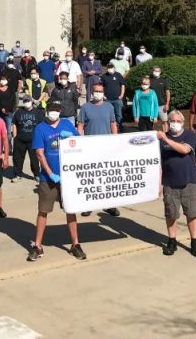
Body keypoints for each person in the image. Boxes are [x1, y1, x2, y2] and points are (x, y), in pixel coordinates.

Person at [28, 105, 86, 262]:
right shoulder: (40, 129)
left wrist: (72, 137)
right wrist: (50, 173)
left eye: (57, 110)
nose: (54, 113)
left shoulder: (67, 124)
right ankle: (38, 245)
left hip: (68, 177)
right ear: (47, 112)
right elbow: (40, 154)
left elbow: (80, 143)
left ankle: (75, 244)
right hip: (49, 179)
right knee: (43, 211)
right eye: (51, 110)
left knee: (70, 210)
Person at [157, 110, 196, 257]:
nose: (174, 123)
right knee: (171, 214)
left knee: (192, 213)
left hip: (189, 181)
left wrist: (166, 140)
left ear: (183, 123)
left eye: (177, 121)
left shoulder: (189, 135)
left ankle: (194, 241)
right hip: (170, 183)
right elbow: (160, 163)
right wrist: (159, 183)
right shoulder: (162, 140)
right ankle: (172, 241)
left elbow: (184, 150)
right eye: (171, 121)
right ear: (168, 122)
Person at [76, 84, 120, 218]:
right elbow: (80, 126)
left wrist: (115, 140)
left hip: (106, 147)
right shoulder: (85, 107)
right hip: (90, 147)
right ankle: (89, 205)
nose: (98, 93)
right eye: (96, 91)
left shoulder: (109, 107)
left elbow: (113, 124)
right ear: (92, 92)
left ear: (103, 93)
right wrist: (80, 143)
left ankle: (109, 205)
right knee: (91, 178)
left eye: (100, 91)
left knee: (107, 177)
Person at [11, 97, 44, 181]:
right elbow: (14, 124)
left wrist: (40, 138)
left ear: (31, 101)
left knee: (35, 159)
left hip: (33, 140)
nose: (27, 103)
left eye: (28, 101)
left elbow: (41, 126)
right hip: (20, 139)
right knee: (18, 158)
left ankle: (37, 174)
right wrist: (15, 137)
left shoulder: (38, 112)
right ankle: (18, 175)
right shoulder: (19, 112)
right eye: (25, 101)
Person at [0, 75, 17, 147]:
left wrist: (8, 109)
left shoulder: (11, 90)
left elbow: (13, 101)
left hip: (8, 113)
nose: (2, 80)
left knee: (8, 132)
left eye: (4, 79)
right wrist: (1, 108)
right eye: (1, 79)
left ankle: (9, 147)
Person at [100, 61, 127, 132]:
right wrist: (103, 96)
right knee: (107, 115)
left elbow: (123, 85)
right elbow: (101, 87)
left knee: (119, 115)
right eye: (108, 68)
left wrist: (122, 95)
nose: (110, 69)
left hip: (117, 99)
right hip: (107, 99)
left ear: (114, 68)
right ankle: (108, 129)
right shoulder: (104, 76)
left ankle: (120, 128)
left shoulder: (118, 75)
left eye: (111, 68)